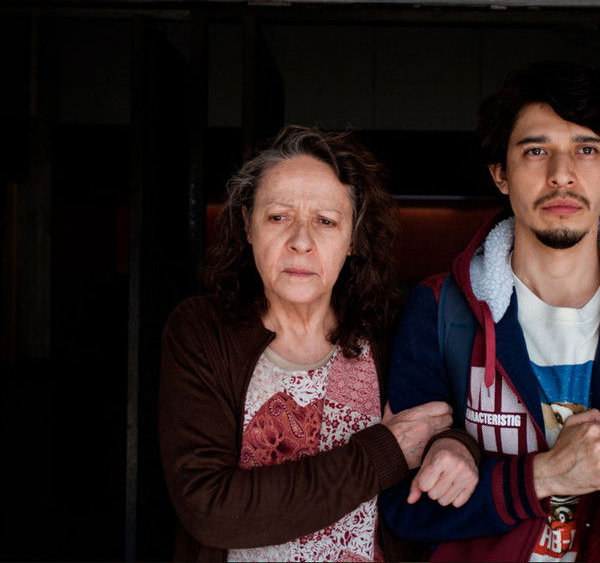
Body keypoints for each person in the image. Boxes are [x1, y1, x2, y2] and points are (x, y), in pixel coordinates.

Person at [159, 125, 479, 562]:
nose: (301, 242)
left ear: (353, 239)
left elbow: (448, 427)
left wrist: (457, 446)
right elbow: (210, 508)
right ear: (248, 225)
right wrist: (381, 454)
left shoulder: (390, 328)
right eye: (278, 217)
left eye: (326, 222)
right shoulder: (203, 331)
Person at [381, 60, 600, 562]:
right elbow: (405, 508)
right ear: (501, 174)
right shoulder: (441, 309)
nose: (561, 173)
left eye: (587, 149)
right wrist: (543, 475)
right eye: (536, 150)